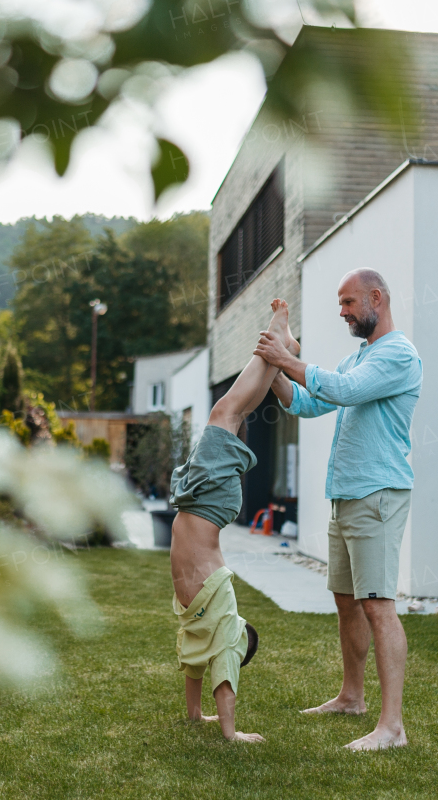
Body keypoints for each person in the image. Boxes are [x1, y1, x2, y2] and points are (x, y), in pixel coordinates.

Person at [254, 268, 422, 752]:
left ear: (377, 298)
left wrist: (287, 357)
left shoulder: (398, 356)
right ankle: (352, 697)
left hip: (378, 494)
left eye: (349, 303)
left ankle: (392, 728)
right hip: (346, 495)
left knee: (378, 605)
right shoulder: (360, 356)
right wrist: (276, 371)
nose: (343, 312)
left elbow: (343, 391)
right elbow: (308, 403)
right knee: (347, 601)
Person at [169, 299, 299, 743]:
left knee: (228, 413)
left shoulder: (199, 622)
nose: (235, 634)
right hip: (206, 503)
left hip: (196, 501)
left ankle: (275, 351)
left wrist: (197, 717)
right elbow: (223, 666)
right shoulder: (222, 613)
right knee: (226, 413)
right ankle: (275, 345)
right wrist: (231, 734)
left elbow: (194, 663)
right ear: (238, 634)